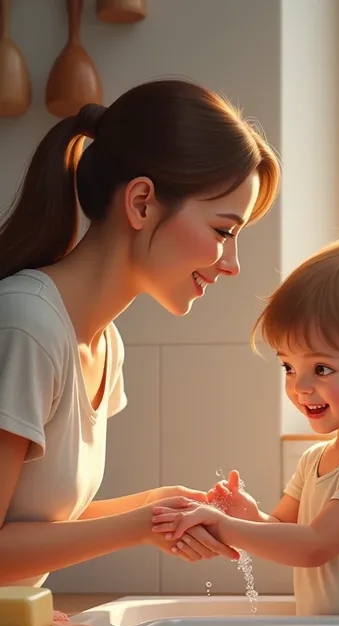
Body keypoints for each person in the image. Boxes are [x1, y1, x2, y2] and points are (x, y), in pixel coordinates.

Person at [0, 78, 280, 587]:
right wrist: (141, 526)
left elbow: (34, 527)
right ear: (142, 202)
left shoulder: (105, 342)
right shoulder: (27, 325)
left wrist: (158, 508)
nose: (233, 264)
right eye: (223, 232)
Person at [151, 237, 339, 616]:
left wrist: (223, 525)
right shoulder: (316, 458)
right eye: (288, 366)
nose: (299, 386)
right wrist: (248, 515)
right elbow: (283, 531)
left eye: (321, 368)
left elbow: (313, 546)